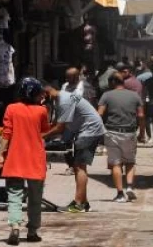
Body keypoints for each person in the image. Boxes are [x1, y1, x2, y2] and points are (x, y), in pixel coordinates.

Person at [0, 77, 50, 245]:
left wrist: (0, 155)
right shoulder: (42, 111)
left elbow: (6, 134)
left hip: (15, 158)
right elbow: (45, 131)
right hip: (35, 160)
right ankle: (32, 231)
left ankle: (15, 227)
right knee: (35, 197)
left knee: (14, 196)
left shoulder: (11, 108)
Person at [41, 82, 106, 213]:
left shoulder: (64, 101)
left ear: (46, 93)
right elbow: (56, 122)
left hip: (89, 130)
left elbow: (60, 127)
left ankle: (77, 204)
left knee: (79, 166)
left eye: (40, 96)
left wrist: (41, 136)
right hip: (87, 129)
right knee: (79, 167)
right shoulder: (61, 98)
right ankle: (84, 202)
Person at [97, 72, 146, 202]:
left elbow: (99, 114)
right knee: (130, 161)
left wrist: (98, 131)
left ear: (112, 82)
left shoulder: (106, 95)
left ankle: (120, 194)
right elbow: (141, 116)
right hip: (129, 132)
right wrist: (142, 133)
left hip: (112, 132)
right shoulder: (135, 95)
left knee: (116, 163)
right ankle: (129, 187)